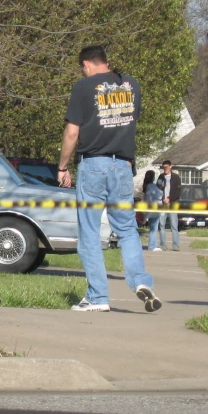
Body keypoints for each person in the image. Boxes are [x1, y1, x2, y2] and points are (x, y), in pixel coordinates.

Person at [57, 45, 161, 313]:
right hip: (123, 167)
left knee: (90, 233)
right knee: (127, 230)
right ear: (107, 62)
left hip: (93, 165)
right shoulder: (132, 85)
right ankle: (140, 282)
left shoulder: (84, 87)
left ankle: (98, 297)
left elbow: (71, 133)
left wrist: (63, 166)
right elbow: (130, 121)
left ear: (86, 65)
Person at [156, 159, 181, 251]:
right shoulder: (161, 177)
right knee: (161, 225)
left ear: (170, 167)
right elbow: (157, 189)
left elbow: (177, 192)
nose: (165, 169)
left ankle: (176, 245)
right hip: (163, 205)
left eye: (166, 167)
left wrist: (169, 198)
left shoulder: (176, 177)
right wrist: (162, 198)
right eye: (163, 167)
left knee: (174, 225)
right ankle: (163, 244)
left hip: (172, 204)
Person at [142, 170, 163, 252]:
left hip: (149, 209)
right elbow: (159, 195)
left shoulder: (146, 186)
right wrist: (161, 188)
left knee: (153, 228)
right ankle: (152, 246)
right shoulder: (152, 186)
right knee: (154, 229)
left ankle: (154, 245)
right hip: (154, 209)